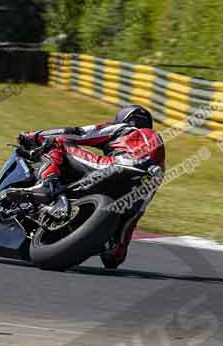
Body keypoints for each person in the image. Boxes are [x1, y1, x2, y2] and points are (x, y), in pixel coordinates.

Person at [18, 105, 166, 267]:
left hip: (119, 166)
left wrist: (34, 136)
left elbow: (79, 133)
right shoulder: (158, 161)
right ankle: (113, 246)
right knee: (122, 232)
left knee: (56, 143)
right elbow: (135, 214)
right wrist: (117, 253)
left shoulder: (124, 129)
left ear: (124, 119)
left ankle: (45, 184)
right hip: (139, 184)